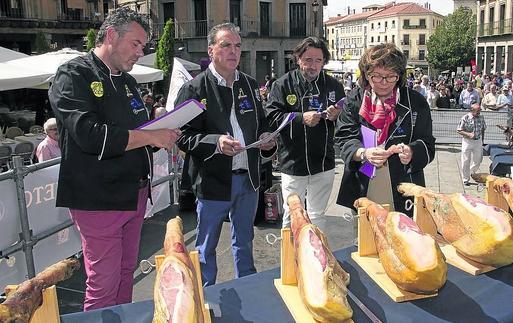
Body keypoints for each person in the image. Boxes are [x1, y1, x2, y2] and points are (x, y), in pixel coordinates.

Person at [48, 7, 181, 311]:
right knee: (103, 281)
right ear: (110, 35)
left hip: (134, 192)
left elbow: (141, 136)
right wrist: (151, 137)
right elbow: (90, 135)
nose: (140, 52)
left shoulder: (129, 82)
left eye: (143, 46)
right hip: (97, 196)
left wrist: (164, 135)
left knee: (125, 271)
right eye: (135, 44)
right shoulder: (73, 74)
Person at [175, 23, 276, 286]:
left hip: (249, 179)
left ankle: (248, 288)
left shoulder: (251, 85)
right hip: (212, 181)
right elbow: (182, 136)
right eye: (226, 45)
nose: (234, 51)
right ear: (211, 50)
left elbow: (261, 123)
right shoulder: (194, 89)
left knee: (245, 241)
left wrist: (266, 139)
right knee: (206, 247)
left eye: (238, 45)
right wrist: (215, 143)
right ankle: (205, 297)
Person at [334, 43, 435, 215]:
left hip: (403, 182)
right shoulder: (353, 100)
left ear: (400, 76)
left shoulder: (416, 101)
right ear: (366, 74)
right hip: (363, 180)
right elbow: (343, 138)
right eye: (376, 76)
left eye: (390, 76)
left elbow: (427, 143)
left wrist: (412, 151)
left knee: (403, 235)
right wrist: (363, 153)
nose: (383, 83)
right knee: (366, 236)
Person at [265, 37, 344, 229]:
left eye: (318, 60)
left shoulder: (334, 86)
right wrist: (301, 118)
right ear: (298, 59)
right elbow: (272, 117)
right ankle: (290, 258)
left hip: (323, 161)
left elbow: (346, 121)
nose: (313, 65)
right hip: (292, 162)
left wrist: (336, 116)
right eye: (308, 59)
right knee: (292, 216)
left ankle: (316, 258)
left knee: (317, 217)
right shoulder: (282, 85)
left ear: (324, 61)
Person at [457, 104, 486, 186]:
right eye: (478, 110)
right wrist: (468, 134)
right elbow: (459, 130)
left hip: (478, 141)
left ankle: (471, 171)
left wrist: (482, 140)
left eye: (480, 110)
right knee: (466, 160)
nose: (479, 112)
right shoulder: (465, 118)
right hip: (467, 141)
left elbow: (483, 129)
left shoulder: (481, 117)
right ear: (472, 110)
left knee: (478, 160)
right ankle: (465, 179)